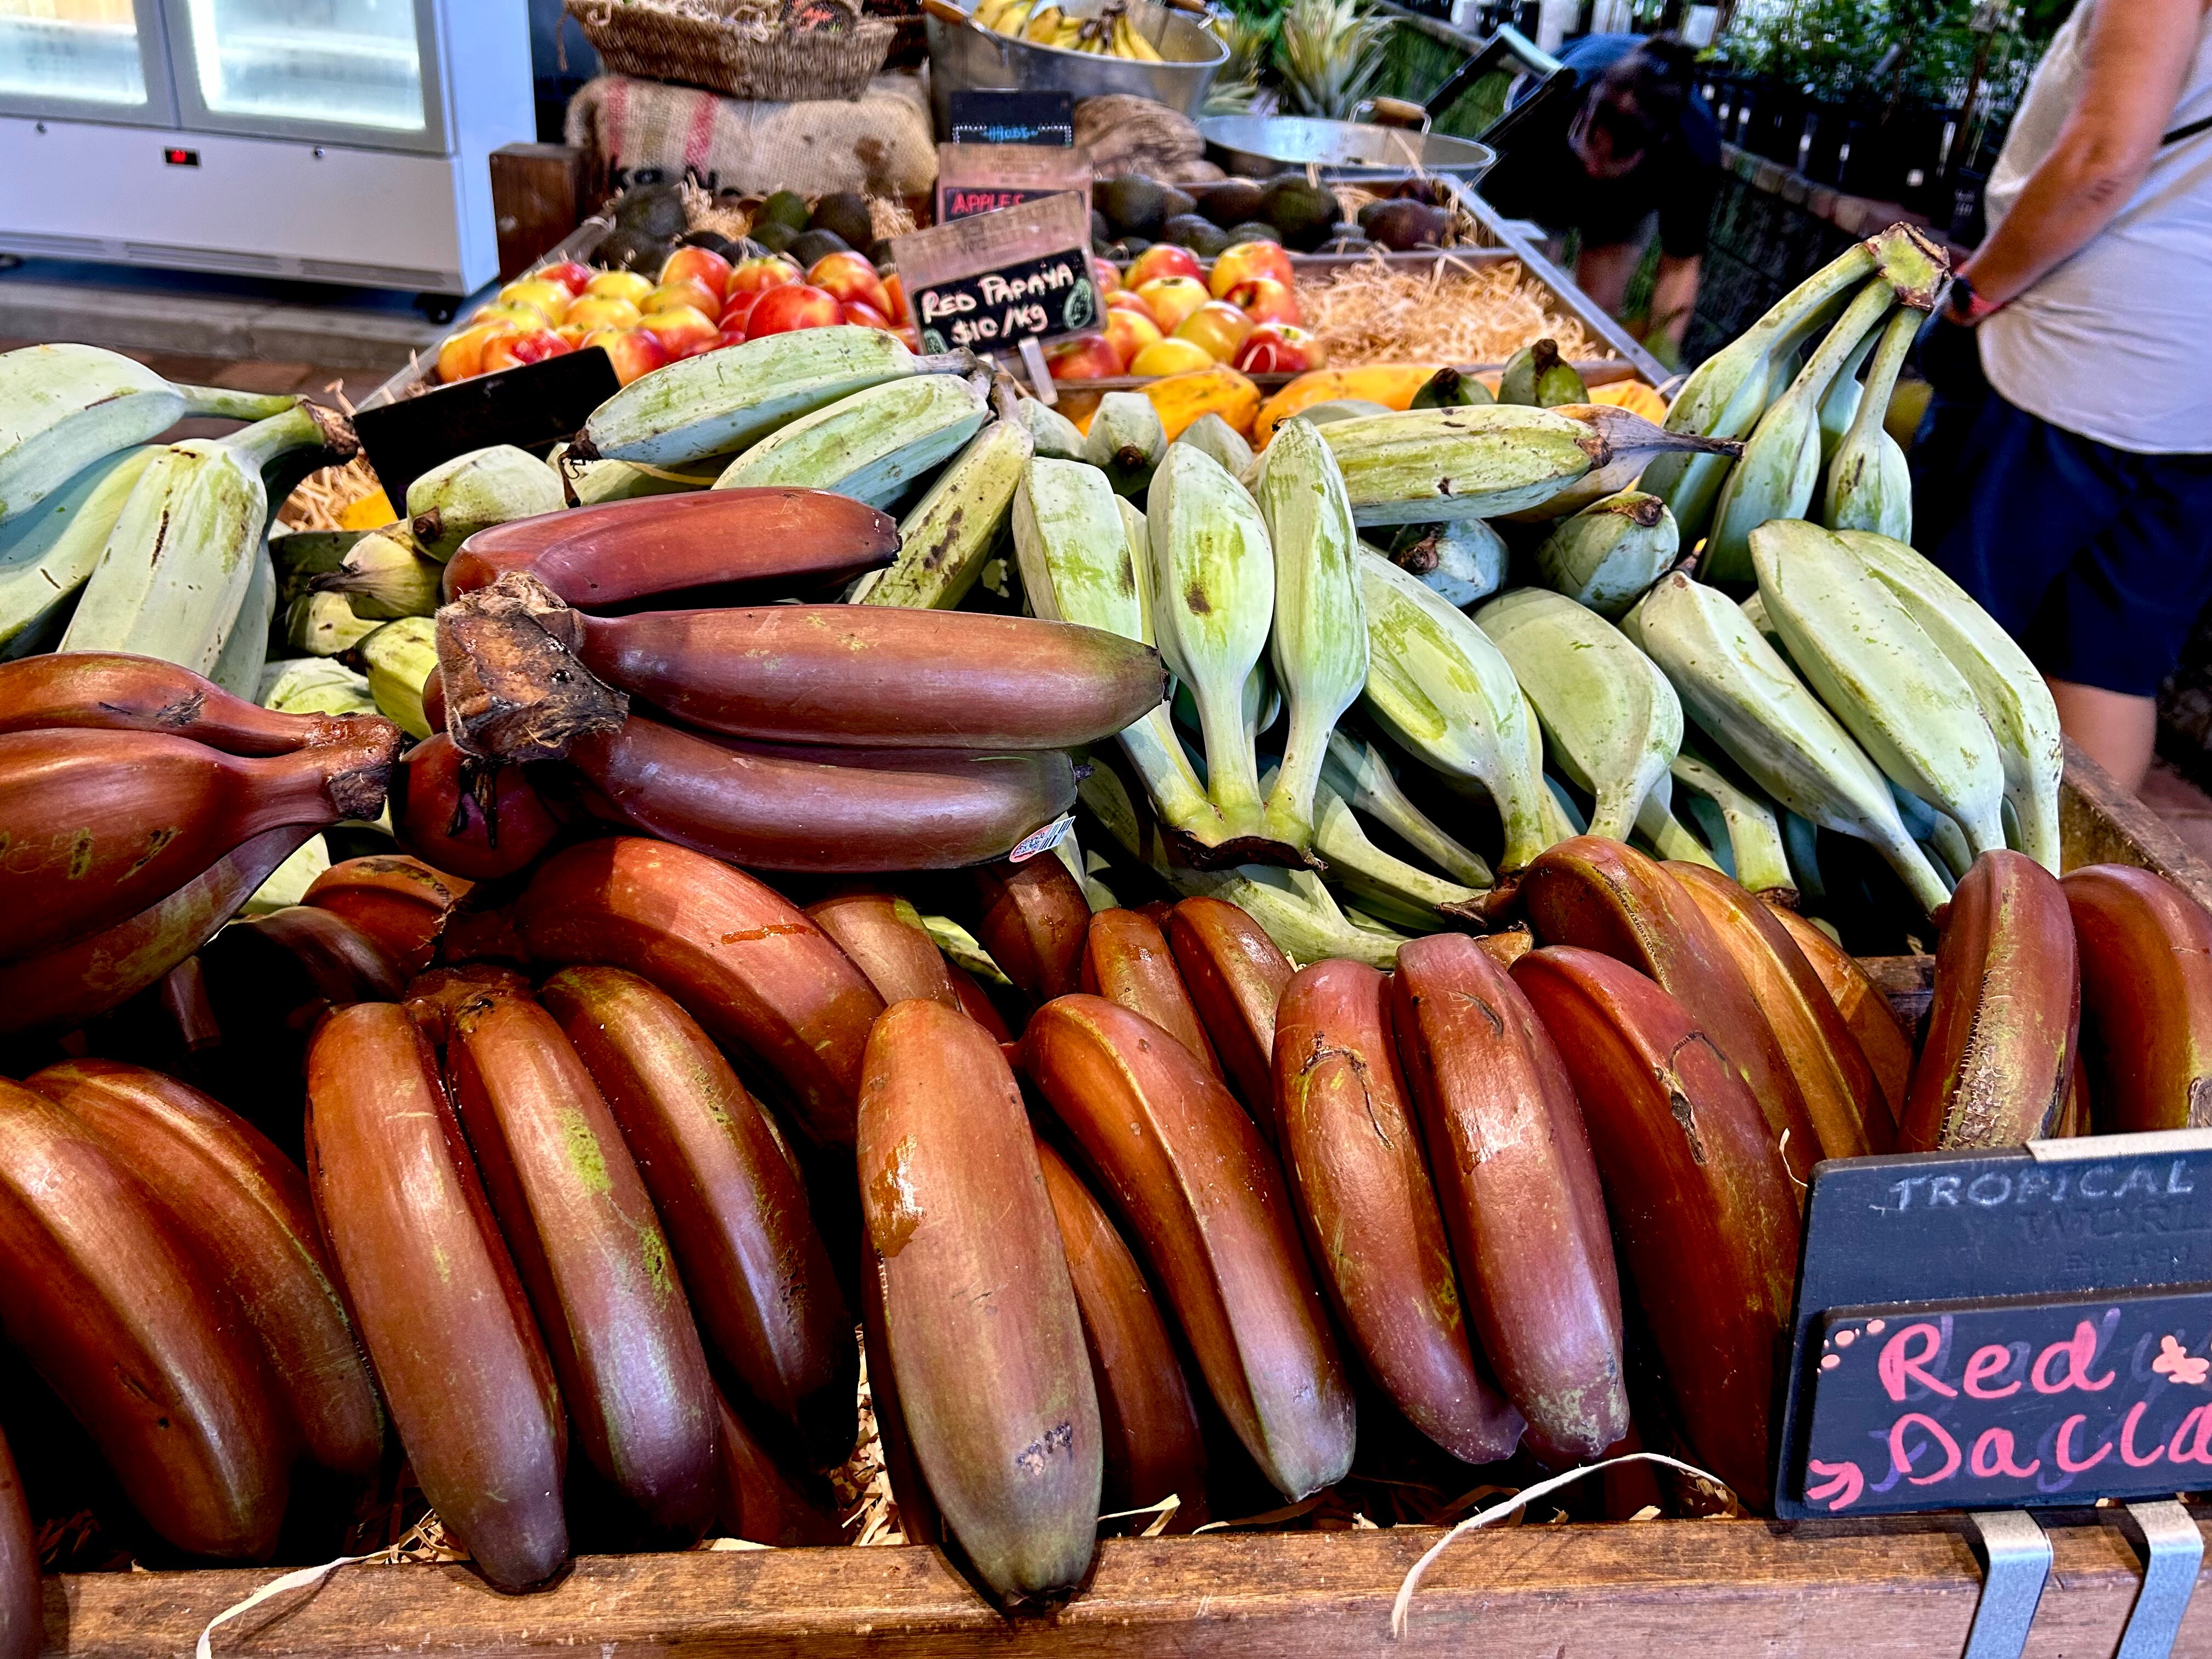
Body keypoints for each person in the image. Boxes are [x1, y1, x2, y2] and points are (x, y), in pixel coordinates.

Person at [1912, 0, 2212, 794]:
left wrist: (1971, 295)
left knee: (1937, 635)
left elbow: (2101, 161)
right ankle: (2064, 870)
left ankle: (1896, 865)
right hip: (2196, 403)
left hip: (2068, 357)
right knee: (2109, 667)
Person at [1479, 32, 1720, 348]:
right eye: (1591, 141)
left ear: (1658, 145)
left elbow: (1680, 266)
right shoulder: (1550, 101)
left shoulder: (1693, 153)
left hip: (1626, 200)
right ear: (1589, 105)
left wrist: (1662, 355)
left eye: (1616, 158)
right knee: (1524, 290)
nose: (1593, 167)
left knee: (1596, 317)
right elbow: (1487, 222)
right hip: (1548, 167)